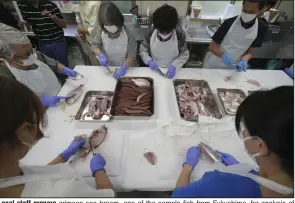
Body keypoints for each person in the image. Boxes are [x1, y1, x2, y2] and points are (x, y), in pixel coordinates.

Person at [0, 76, 115, 197]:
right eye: (35, 124)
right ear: (23, 132)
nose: (38, 136)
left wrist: (62, 157)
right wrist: (99, 171)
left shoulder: (8, 172)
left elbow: (34, 178)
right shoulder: (64, 192)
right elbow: (109, 196)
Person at [172, 86, 294, 198]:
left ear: (260, 145)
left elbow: (177, 197)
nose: (243, 133)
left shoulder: (220, 184)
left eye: (245, 129)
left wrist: (188, 166)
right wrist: (241, 169)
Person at [0, 23, 76, 107]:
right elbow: (15, 107)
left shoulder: (34, 55)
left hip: (61, 97)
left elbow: (54, 64)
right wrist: (40, 102)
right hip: (40, 112)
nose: (32, 55)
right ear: (7, 58)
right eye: (27, 54)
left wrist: (64, 69)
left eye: (31, 49)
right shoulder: (5, 78)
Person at [203, 0, 276, 71]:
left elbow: (249, 51)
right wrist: (223, 55)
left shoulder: (261, 27)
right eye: (244, 10)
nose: (247, 13)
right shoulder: (229, 22)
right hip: (215, 64)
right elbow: (212, 46)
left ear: (260, 11)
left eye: (252, 12)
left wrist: (244, 60)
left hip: (235, 67)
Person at [139, 4, 189, 79]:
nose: (164, 34)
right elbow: (143, 51)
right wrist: (149, 61)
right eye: (161, 31)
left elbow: (184, 54)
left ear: (173, 27)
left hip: (173, 71)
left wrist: (174, 65)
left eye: (167, 32)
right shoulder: (151, 33)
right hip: (155, 70)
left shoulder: (179, 35)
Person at [92, 2, 137, 79]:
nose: (110, 27)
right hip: (109, 68)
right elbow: (94, 46)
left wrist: (123, 68)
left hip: (127, 68)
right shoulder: (101, 31)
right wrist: (100, 54)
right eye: (106, 25)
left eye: (112, 24)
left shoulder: (129, 33)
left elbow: (132, 55)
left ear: (118, 20)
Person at [18, 0, 69, 67]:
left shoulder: (50, 5)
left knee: (63, 67)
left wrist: (55, 18)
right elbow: (29, 20)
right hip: (43, 43)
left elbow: (64, 25)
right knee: (49, 68)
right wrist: (24, 23)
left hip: (58, 41)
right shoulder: (22, 6)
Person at [76, 1, 101, 65]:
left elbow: (94, 31)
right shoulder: (80, 3)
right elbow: (78, 17)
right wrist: (82, 33)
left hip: (99, 44)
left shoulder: (94, 4)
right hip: (88, 41)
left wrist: (80, 30)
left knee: (103, 69)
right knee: (95, 67)